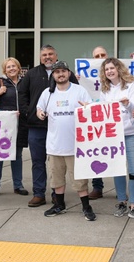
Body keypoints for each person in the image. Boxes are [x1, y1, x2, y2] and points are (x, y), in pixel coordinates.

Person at [18, 44, 78, 208]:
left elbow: (77, 93)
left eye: (51, 54)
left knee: (57, 163)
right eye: (44, 55)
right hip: (36, 126)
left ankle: (55, 194)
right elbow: (22, 94)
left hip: (60, 127)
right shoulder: (31, 74)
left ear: (56, 55)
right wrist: (27, 111)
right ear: (40, 57)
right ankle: (38, 194)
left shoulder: (65, 73)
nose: (47, 57)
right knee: (38, 161)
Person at [36, 61, 95, 220]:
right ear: (53, 75)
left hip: (76, 145)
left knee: (80, 180)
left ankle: (86, 206)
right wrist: (40, 113)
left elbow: (90, 109)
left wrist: (87, 108)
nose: (60, 74)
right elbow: (39, 109)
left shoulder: (79, 91)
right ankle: (59, 205)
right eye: (57, 72)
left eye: (63, 71)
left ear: (68, 73)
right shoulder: (47, 93)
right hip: (54, 146)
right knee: (57, 179)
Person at [99, 57, 134, 220]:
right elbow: (103, 111)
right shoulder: (105, 90)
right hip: (114, 135)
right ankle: (121, 202)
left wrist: (127, 104)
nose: (110, 71)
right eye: (106, 69)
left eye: (112, 68)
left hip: (132, 133)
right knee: (117, 169)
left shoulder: (131, 85)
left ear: (118, 69)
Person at [0, 57, 28, 197]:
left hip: (21, 124)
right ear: (5, 70)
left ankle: (18, 185)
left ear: (19, 68)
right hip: (3, 126)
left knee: (17, 155)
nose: (11, 69)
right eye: (8, 67)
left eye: (14, 66)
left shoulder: (24, 83)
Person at [88, 46, 109, 200]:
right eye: (97, 56)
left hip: (113, 119)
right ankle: (97, 186)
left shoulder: (113, 71)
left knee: (117, 154)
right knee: (96, 152)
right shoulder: (86, 74)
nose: (100, 57)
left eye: (103, 55)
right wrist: (77, 79)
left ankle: (120, 189)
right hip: (95, 119)